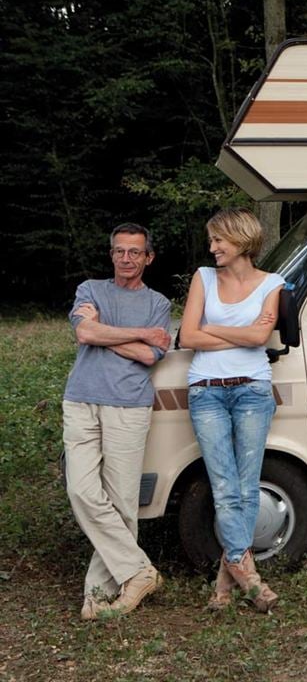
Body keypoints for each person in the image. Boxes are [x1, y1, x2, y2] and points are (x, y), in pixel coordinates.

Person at [63, 222, 172, 620]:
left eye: (135, 252)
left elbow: (149, 357)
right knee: (81, 491)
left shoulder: (158, 303)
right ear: (111, 254)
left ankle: (99, 594)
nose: (126, 258)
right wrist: (139, 334)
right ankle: (138, 570)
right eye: (119, 251)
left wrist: (101, 331)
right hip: (81, 400)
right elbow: (84, 334)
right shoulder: (90, 289)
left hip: (128, 406)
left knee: (122, 501)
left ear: (148, 257)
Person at [179, 208, 285, 612]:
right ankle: (251, 580)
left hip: (253, 392)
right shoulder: (203, 278)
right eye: (212, 241)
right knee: (224, 487)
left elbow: (262, 336)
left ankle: (225, 586)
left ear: (241, 240)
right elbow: (188, 335)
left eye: (219, 240)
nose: (213, 248)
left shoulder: (272, 283)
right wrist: (242, 338)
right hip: (206, 390)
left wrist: (215, 330)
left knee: (246, 486)